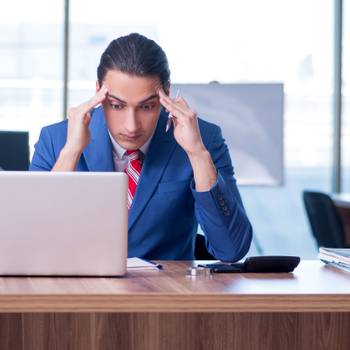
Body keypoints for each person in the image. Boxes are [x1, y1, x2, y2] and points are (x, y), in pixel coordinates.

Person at [30, 33, 252, 261]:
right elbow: (32, 242)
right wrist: (71, 152)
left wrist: (197, 154)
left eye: (146, 106)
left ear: (166, 92)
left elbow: (232, 249)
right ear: (98, 92)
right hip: (77, 291)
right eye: (117, 105)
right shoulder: (56, 139)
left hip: (166, 292)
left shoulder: (204, 139)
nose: (131, 126)